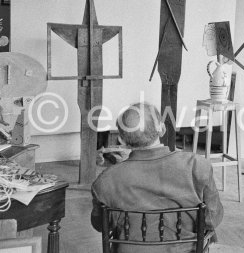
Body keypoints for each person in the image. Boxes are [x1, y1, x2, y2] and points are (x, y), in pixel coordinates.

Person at [90, 102, 223, 253]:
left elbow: (100, 225)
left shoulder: (105, 181)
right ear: (162, 129)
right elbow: (212, 219)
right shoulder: (197, 166)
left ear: (121, 140)